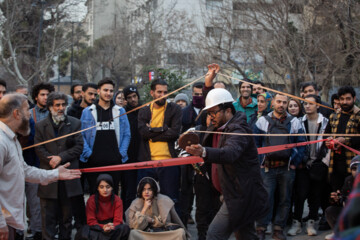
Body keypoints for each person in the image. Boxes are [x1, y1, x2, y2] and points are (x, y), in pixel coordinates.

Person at [186, 88, 269, 240]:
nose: (210, 117)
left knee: (214, 235)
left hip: (240, 196)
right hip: (233, 194)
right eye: (208, 113)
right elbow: (213, 97)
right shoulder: (219, 126)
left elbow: (230, 153)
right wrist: (208, 83)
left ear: (228, 110)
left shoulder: (239, 129)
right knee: (245, 235)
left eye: (213, 113)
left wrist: (203, 151)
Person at [0, 93, 81, 240]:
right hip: (3, 223)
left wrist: (55, 174)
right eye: (27, 110)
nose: (30, 115)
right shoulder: (1, 141)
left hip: (11, 221)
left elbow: (24, 170)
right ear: (16, 113)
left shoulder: (12, 139)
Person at [254, 93, 306, 240]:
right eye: (279, 102)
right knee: (266, 198)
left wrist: (294, 163)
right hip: (267, 168)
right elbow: (255, 144)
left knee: (285, 199)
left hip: (287, 168)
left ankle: (278, 229)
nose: (281, 105)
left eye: (284, 102)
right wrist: (260, 161)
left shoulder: (295, 122)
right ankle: (261, 228)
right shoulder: (262, 121)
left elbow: (301, 143)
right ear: (273, 103)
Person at [34, 92, 85, 240]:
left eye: (63, 104)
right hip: (48, 177)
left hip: (69, 179)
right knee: (48, 219)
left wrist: (60, 157)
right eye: (57, 105)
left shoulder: (75, 123)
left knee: (67, 219)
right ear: (50, 107)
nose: (61, 108)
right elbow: (38, 147)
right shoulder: (40, 126)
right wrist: (51, 161)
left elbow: (79, 147)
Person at [137, 79, 182, 212]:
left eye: (165, 92)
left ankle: (174, 228)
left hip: (169, 162)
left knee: (171, 199)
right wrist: (164, 129)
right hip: (147, 163)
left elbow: (174, 133)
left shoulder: (175, 109)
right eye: (159, 92)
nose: (162, 95)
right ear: (152, 93)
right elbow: (143, 133)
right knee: (144, 199)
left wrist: (152, 130)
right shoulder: (144, 111)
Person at [287, 95, 329, 237]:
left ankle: (311, 222)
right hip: (302, 165)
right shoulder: (298, 122)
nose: (307, 106)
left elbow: (328, 144)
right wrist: (299, 160)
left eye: (311, 103)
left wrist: (323, 162)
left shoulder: (325, 122)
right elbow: (295, 142)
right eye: (305, 104)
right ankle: (297, 222)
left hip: (319, 164)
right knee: (300, 194)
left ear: (318, 105)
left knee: (316, 194)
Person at [80, 78, 131, 195]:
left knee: (113, 196)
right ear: (98, 91)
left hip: (115, 162)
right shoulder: (88, 112)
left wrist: (121, 153)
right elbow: (80, 135)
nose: (108, 93)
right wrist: (89, 154)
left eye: (111, 91)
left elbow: (127, 135)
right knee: (94, 196)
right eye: (105, 90)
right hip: (93, 163)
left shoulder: (120, 111)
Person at [325, 86, 360, 191]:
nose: (345, 102)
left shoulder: (358, 116)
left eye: (348, 99)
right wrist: (328, 141)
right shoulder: (333, 116)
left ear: (354, 99)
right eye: (342, 99)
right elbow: (326, 135)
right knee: (336, 197)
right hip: (335, 164)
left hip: (353, 165)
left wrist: (346, 140)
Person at [78, 174, 130, 240]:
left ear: (112, 188)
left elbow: (118, 221)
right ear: (98, 188)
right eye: (101, 187)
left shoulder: (117, 200)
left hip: (112, 228)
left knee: (125, 229)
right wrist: (103, 227)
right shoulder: (91, 200)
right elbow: (91, 221)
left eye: (108, 187)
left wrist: (110, 228)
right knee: (83, 231)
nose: (105, 190)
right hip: (97, 228)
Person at [323, 156, 359, 240]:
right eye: (354, 169)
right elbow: (343, 198)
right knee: (330, 210)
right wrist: (336, 199)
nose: (357, 172)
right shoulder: (349, 180)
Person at [122, 85, 141, 211]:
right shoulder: (122, 113)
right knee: (128, 190)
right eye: (129, 97)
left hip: (142, 156)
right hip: (127, 158)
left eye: (134, 96)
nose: (133, 100)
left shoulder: (145, 111)